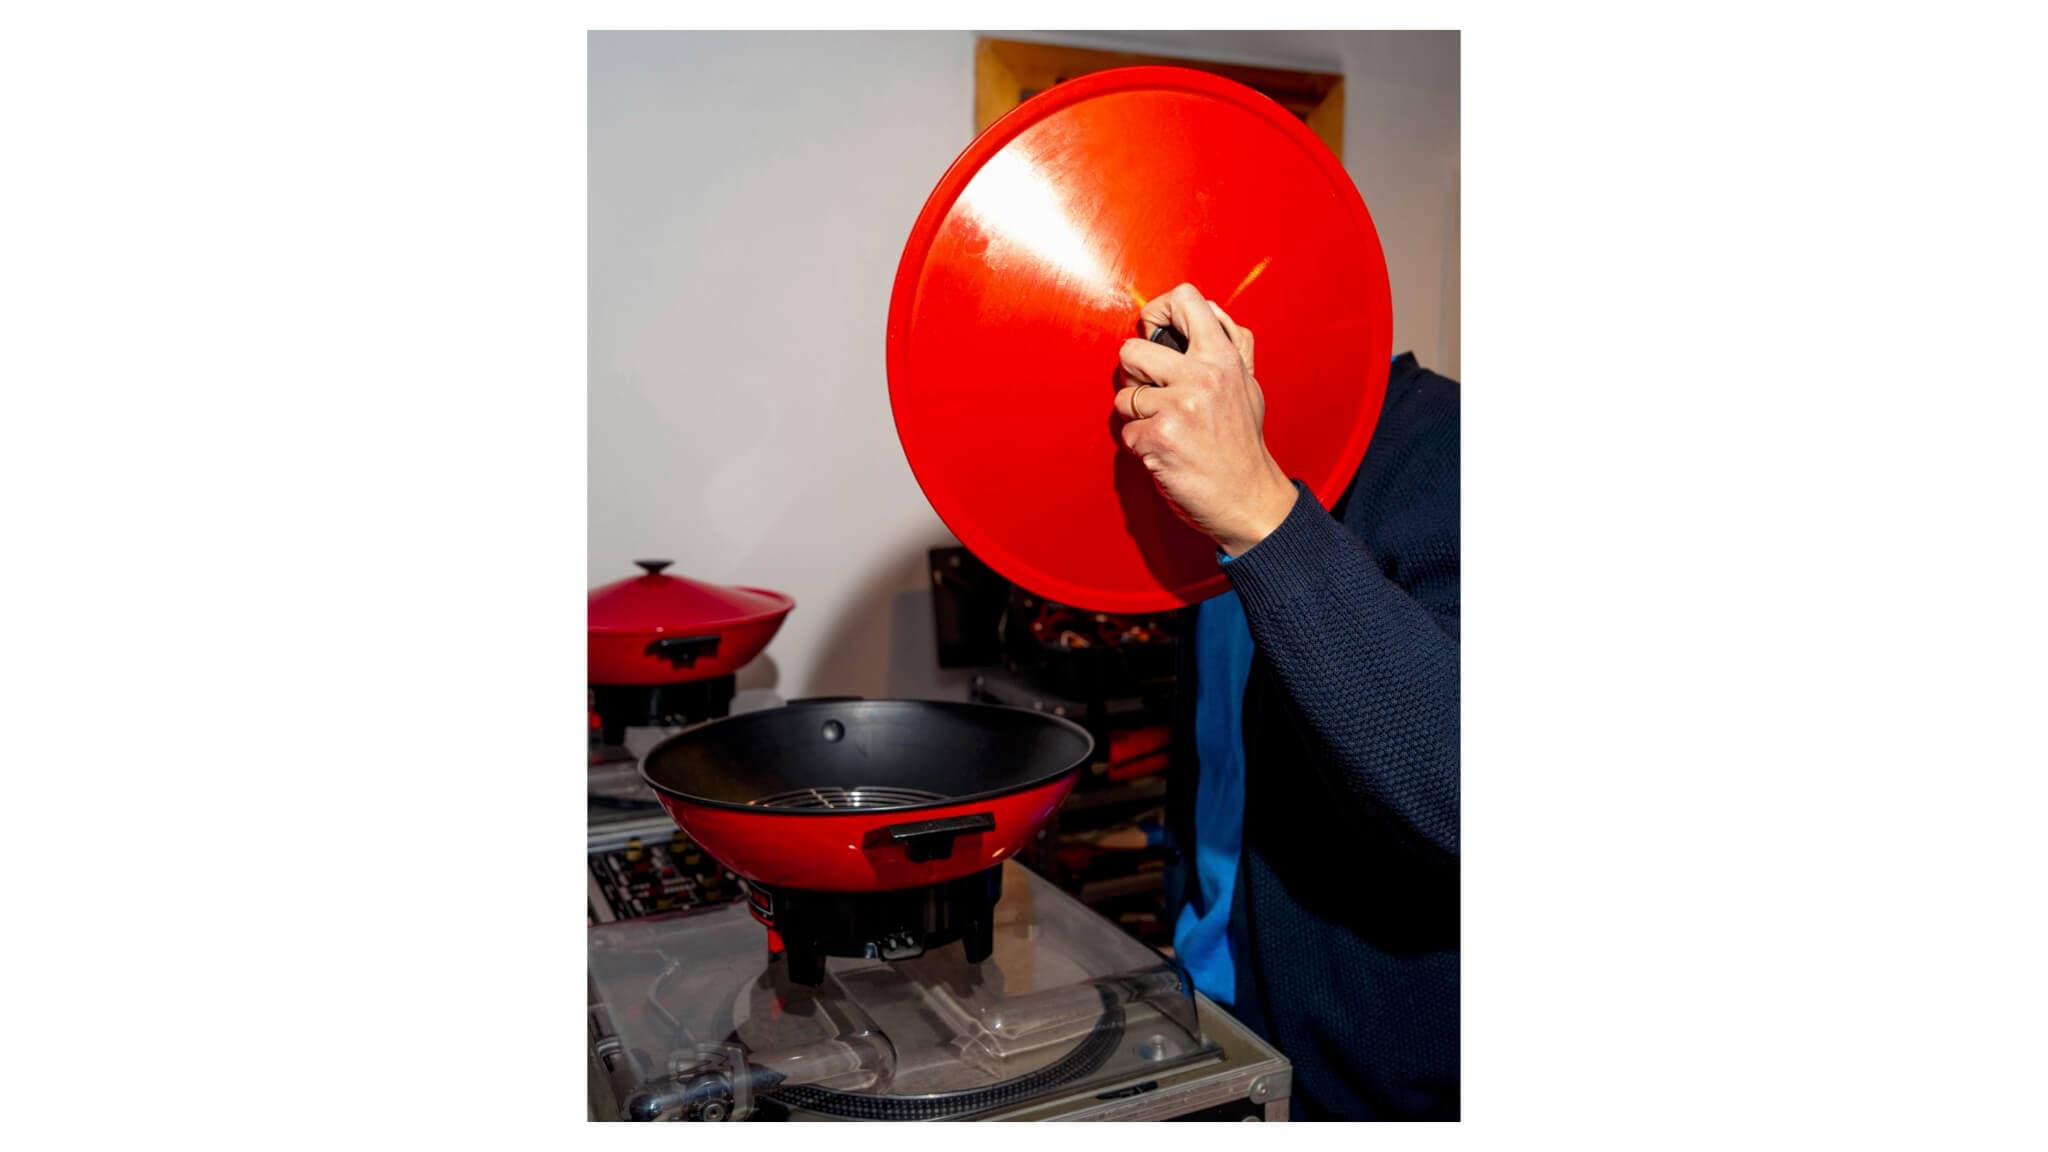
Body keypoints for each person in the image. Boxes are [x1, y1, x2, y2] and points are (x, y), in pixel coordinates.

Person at [1114, 283, 1460, 1120]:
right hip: (1217, 1020)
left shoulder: (1452, 448)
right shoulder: (1195, 457)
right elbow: (1222, 758)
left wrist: (1261, 517)